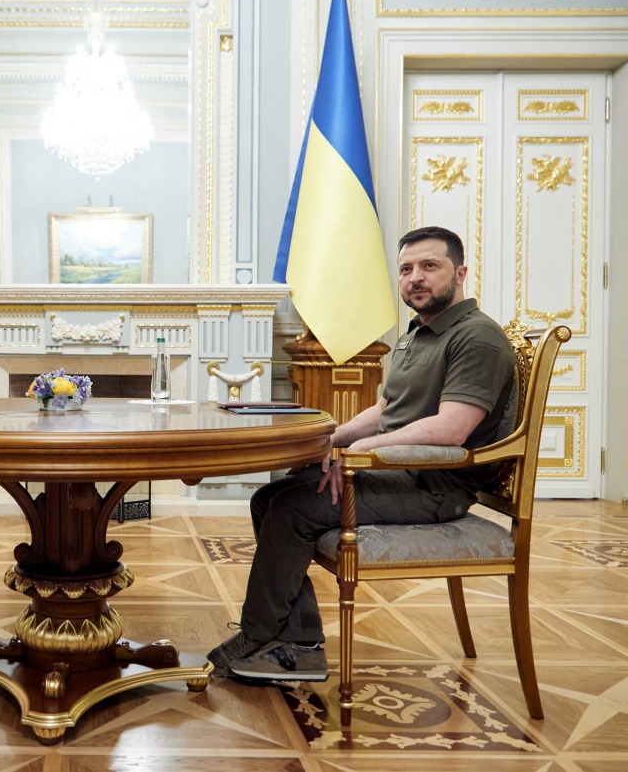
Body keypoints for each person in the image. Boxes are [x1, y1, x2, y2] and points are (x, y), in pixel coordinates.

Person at [208, 225, 515, 683]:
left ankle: (265, 636)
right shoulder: (419, 332)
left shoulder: (477, 338)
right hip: (397, 471)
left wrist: (361, 451)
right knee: (270, 497)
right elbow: (386, 408)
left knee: (293, 507)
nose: (416, 278)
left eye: (430, 266)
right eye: (407, 269)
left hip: (437, 484)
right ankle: (296, 641)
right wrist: (330, 441)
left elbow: (453, 429)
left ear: (461, 272)